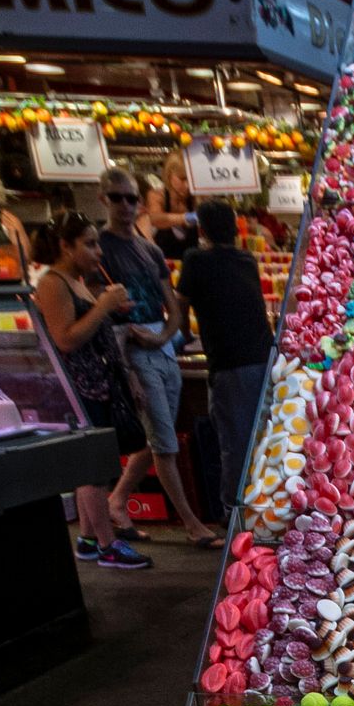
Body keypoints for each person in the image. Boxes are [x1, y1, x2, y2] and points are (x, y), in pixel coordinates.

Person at [97, 171, 222, 547]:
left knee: (157, 439)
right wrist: (126, 364)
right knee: (165, 442)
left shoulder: (148, 248)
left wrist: (162, 337)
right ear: (103, 199)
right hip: (131, 351)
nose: (125, 205)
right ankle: (192, 524)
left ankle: (117, 501)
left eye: (131, 198)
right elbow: (96, 311)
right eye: (117, 198)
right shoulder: (98, 247)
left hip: (159, 347)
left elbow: (173, 308)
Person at [32, 214, 151, 569]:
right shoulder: (53, 283)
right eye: (88, 243)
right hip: (80, 388)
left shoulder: (78, 281)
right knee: (93, 468)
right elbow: (65, 339)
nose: (97, 251)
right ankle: (107, 544)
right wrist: (103, 306)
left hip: (102, 384)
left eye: (96, 242)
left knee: (100, 464)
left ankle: (87, 538)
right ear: (64, 246)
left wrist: (126, 375)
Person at [176, 197, 272, 508]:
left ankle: (236, 513)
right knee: (261, 437)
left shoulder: (195, 261)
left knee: (236, 442)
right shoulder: (247, 260)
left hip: (231, 363)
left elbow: (180, 306)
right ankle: (261, 503)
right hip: (264, 356)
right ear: (234, 228)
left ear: (201, 230)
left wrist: (183, 336)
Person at [142, 149, 197, 256]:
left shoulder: (196, 198)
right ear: (169, 175)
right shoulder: (157, 195)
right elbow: (155, 219)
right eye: (182, 179)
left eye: (190, 179)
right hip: (164, 263)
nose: (187, 185)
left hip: (192, 264)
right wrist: (185, 218)